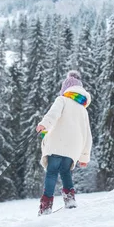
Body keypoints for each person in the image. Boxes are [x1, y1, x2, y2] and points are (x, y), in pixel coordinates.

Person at [35, 70, 93, 216]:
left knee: (52, 172)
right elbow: (87, 134)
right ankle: (70, 200)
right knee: (65, 172)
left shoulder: (62, 100)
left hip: (57, 144)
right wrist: (84, 156)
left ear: (65, 89)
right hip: (73, 149)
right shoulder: (83, 110)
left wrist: (44, 125)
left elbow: (53, 114)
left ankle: (46, 206)